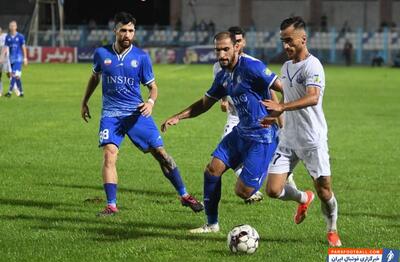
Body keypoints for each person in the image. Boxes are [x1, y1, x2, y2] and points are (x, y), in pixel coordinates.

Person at [81, 12, 203, 216]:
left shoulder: (141, 57)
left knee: (162, 155)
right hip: (111, 115)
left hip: (137, 114)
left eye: (131, 31)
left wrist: (151, 102)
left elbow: (153, 87)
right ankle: (111, 205)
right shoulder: (101, 54)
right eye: (123, 30)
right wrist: (84, 101)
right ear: (115, 31)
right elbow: (94, 77)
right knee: (109, 155)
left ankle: (184, 195)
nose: (127, 34)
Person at [161, 31, 282, 233]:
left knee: (243, 192)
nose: (222, 55)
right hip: (241, 132)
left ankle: (285, 186)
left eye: (226, 49)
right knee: (212, 170)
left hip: (263, 136)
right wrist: (178, 116)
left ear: (236, 47)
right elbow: (204, 104)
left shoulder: (253, 67)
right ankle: (212, 224)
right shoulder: (223, 76)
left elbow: (281, 87)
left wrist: (281, 110)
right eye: (218, 50)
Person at [260, 16, 342, 247]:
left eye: (289, 41)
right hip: (288, 139)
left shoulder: (313, 65)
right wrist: (273, 116)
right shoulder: (286, 67)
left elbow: (313, 97)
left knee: (325, 190)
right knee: (273, 190)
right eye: (283, 41)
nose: (285, 46)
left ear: (303, 39)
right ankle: (304, 198)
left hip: (312, 139)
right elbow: (287, 98)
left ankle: (332, 228)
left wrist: (282, 107)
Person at [213, 26, 294, 204]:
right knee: (223, 159)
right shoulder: (219, 66)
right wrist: (224, 99)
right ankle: (258, 180)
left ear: (241, 43)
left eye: (240, 41)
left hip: (258, 119)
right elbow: (222, 86)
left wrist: (277, 116)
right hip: (235, 116)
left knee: (248, 156)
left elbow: (270, 92)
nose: (238, 45)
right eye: (220, 49)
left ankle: (275, 173)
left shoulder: (252, 64)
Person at [3, 21, 28, 97]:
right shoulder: (8, 37)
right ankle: (21, 93)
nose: (12, 27)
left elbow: (23, 47)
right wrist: (1, 57)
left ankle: (9, 92)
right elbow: (5, 48)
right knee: (17, 77)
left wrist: (25, 58)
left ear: (16, 27)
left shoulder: (20, 36)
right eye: (11, 26)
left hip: (18, 58)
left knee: (13, 74)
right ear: (9, 27)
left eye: (14, 26)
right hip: (11, 59)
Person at [0, 26, 11, 97]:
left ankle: (16, 87)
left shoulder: (5, 36)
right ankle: (0, 91)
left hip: (5, 59)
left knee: (8, 74)